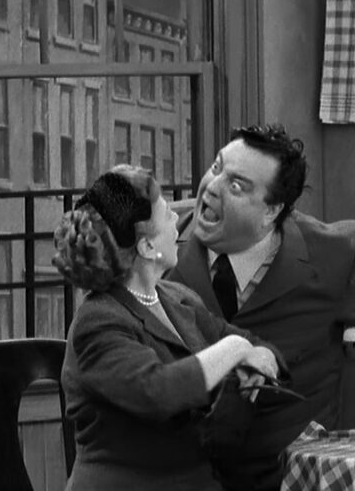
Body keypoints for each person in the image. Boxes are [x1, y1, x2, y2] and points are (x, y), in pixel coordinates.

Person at [166, 124, 355, 491]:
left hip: (292, 474)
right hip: (183, 473)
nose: (211, 186)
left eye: (237, 185)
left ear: (271, 211)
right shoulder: (160, 244)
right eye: (216, 168)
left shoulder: (334, 254)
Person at [53, 165, 287, 491]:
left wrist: (260, 354)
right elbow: (158, 392)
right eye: (166, 214)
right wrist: (236, 350)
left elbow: (255, 344)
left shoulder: (178, 298)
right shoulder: (98, 321)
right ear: (147, 247)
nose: (177, 219)